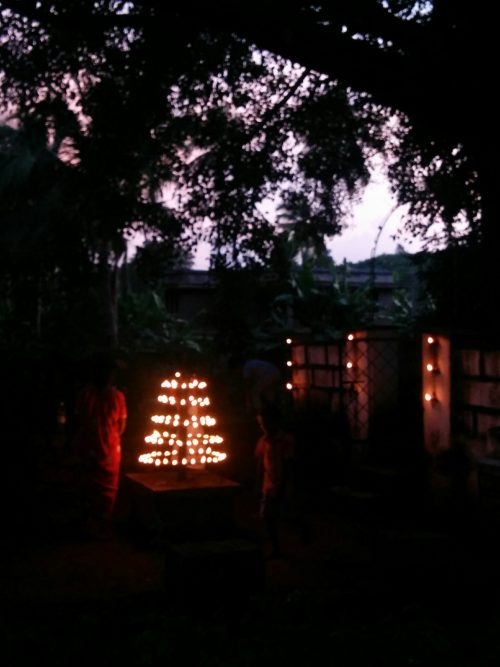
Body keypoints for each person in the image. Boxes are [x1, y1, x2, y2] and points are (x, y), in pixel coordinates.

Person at [73, 355, 127, 536]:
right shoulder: (115, 396)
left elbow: (78, 419)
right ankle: (100, 523)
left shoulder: (87, 394)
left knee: (94, 486)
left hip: (94, 445)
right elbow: (121, 425)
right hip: (104, 446)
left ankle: (95, 524)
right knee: (100, 486)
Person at [255, 404, 296, 558]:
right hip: (268, 485)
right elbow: (260, 464)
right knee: (267, 517)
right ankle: (275, 547)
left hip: (283, 484)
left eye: (267, 423)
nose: (264, 427)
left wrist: (283, 487)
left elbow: (288, 465)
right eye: (261, 424)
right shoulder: (263, 441)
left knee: (283, 516)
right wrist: (258, 485)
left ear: (277, 422)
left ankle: (300, 527)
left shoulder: (286, 441)